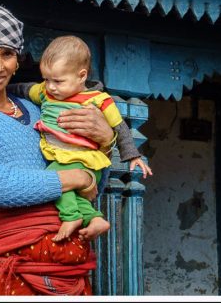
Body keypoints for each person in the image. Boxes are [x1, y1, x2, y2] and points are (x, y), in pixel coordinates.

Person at [0, 2, 116, 296]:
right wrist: (76, 178)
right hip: (12, 271)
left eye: (7, 54)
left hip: (69, 270)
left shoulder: (41, 108)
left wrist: (106, 141)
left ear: (17, 60)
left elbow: (95, 183)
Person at [10, 35, 152, 242]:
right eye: (46, 79)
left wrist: (132, 155)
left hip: (84, 159)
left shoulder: (98, 100)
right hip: (61, 157)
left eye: (58, 81)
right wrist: (4, 90)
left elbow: (119, 127)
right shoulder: (45, 93)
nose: (50, 86)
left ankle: (71, 217)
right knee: (73, 194)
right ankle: (94, 219)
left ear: (81, 75)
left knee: (53, 180)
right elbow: (22, 89)